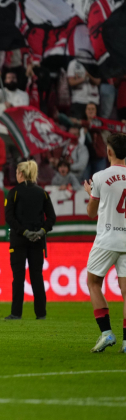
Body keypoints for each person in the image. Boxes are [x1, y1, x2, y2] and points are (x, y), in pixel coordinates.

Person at [82, 133, 126, 353]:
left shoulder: (99, 177)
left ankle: (107, 333)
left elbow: (91, 213)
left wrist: (90, 193)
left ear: (109, 151)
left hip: (107, 239)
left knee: (93, 283)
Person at [4, 161, 56, 321]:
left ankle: (16, 313)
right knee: (37, 277)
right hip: (38, 241)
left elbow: (9, 217)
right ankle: (41, 313)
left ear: (20, 174)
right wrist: (41, 231)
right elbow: (52, 217)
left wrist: (24, 232)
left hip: (19, 241)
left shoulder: (13, 192)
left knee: (18, 277)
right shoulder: (42, 193)